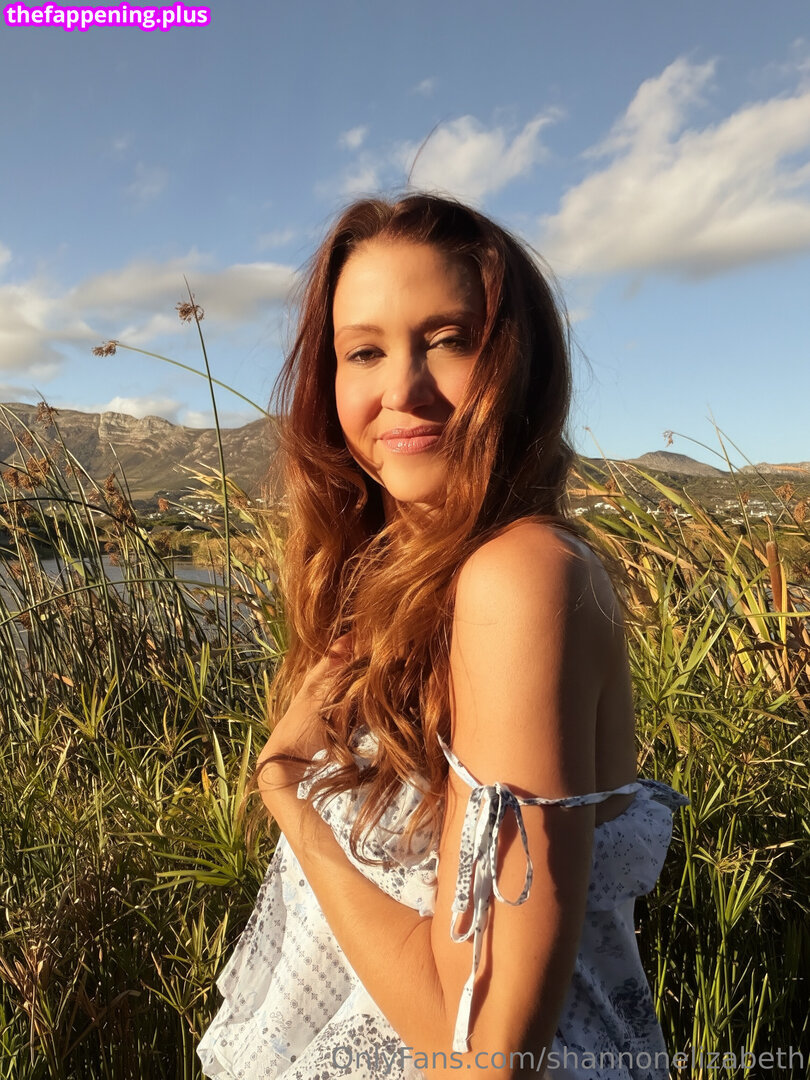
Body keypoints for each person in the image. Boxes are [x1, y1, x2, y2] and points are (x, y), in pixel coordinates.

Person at [197, 192, 688, 1080]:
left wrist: (289, 800)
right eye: (365, 351)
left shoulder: (520, 579)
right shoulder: (396, 583)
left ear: (518, 362)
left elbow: (484, 1054)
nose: (402, 390)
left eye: (450, 339)